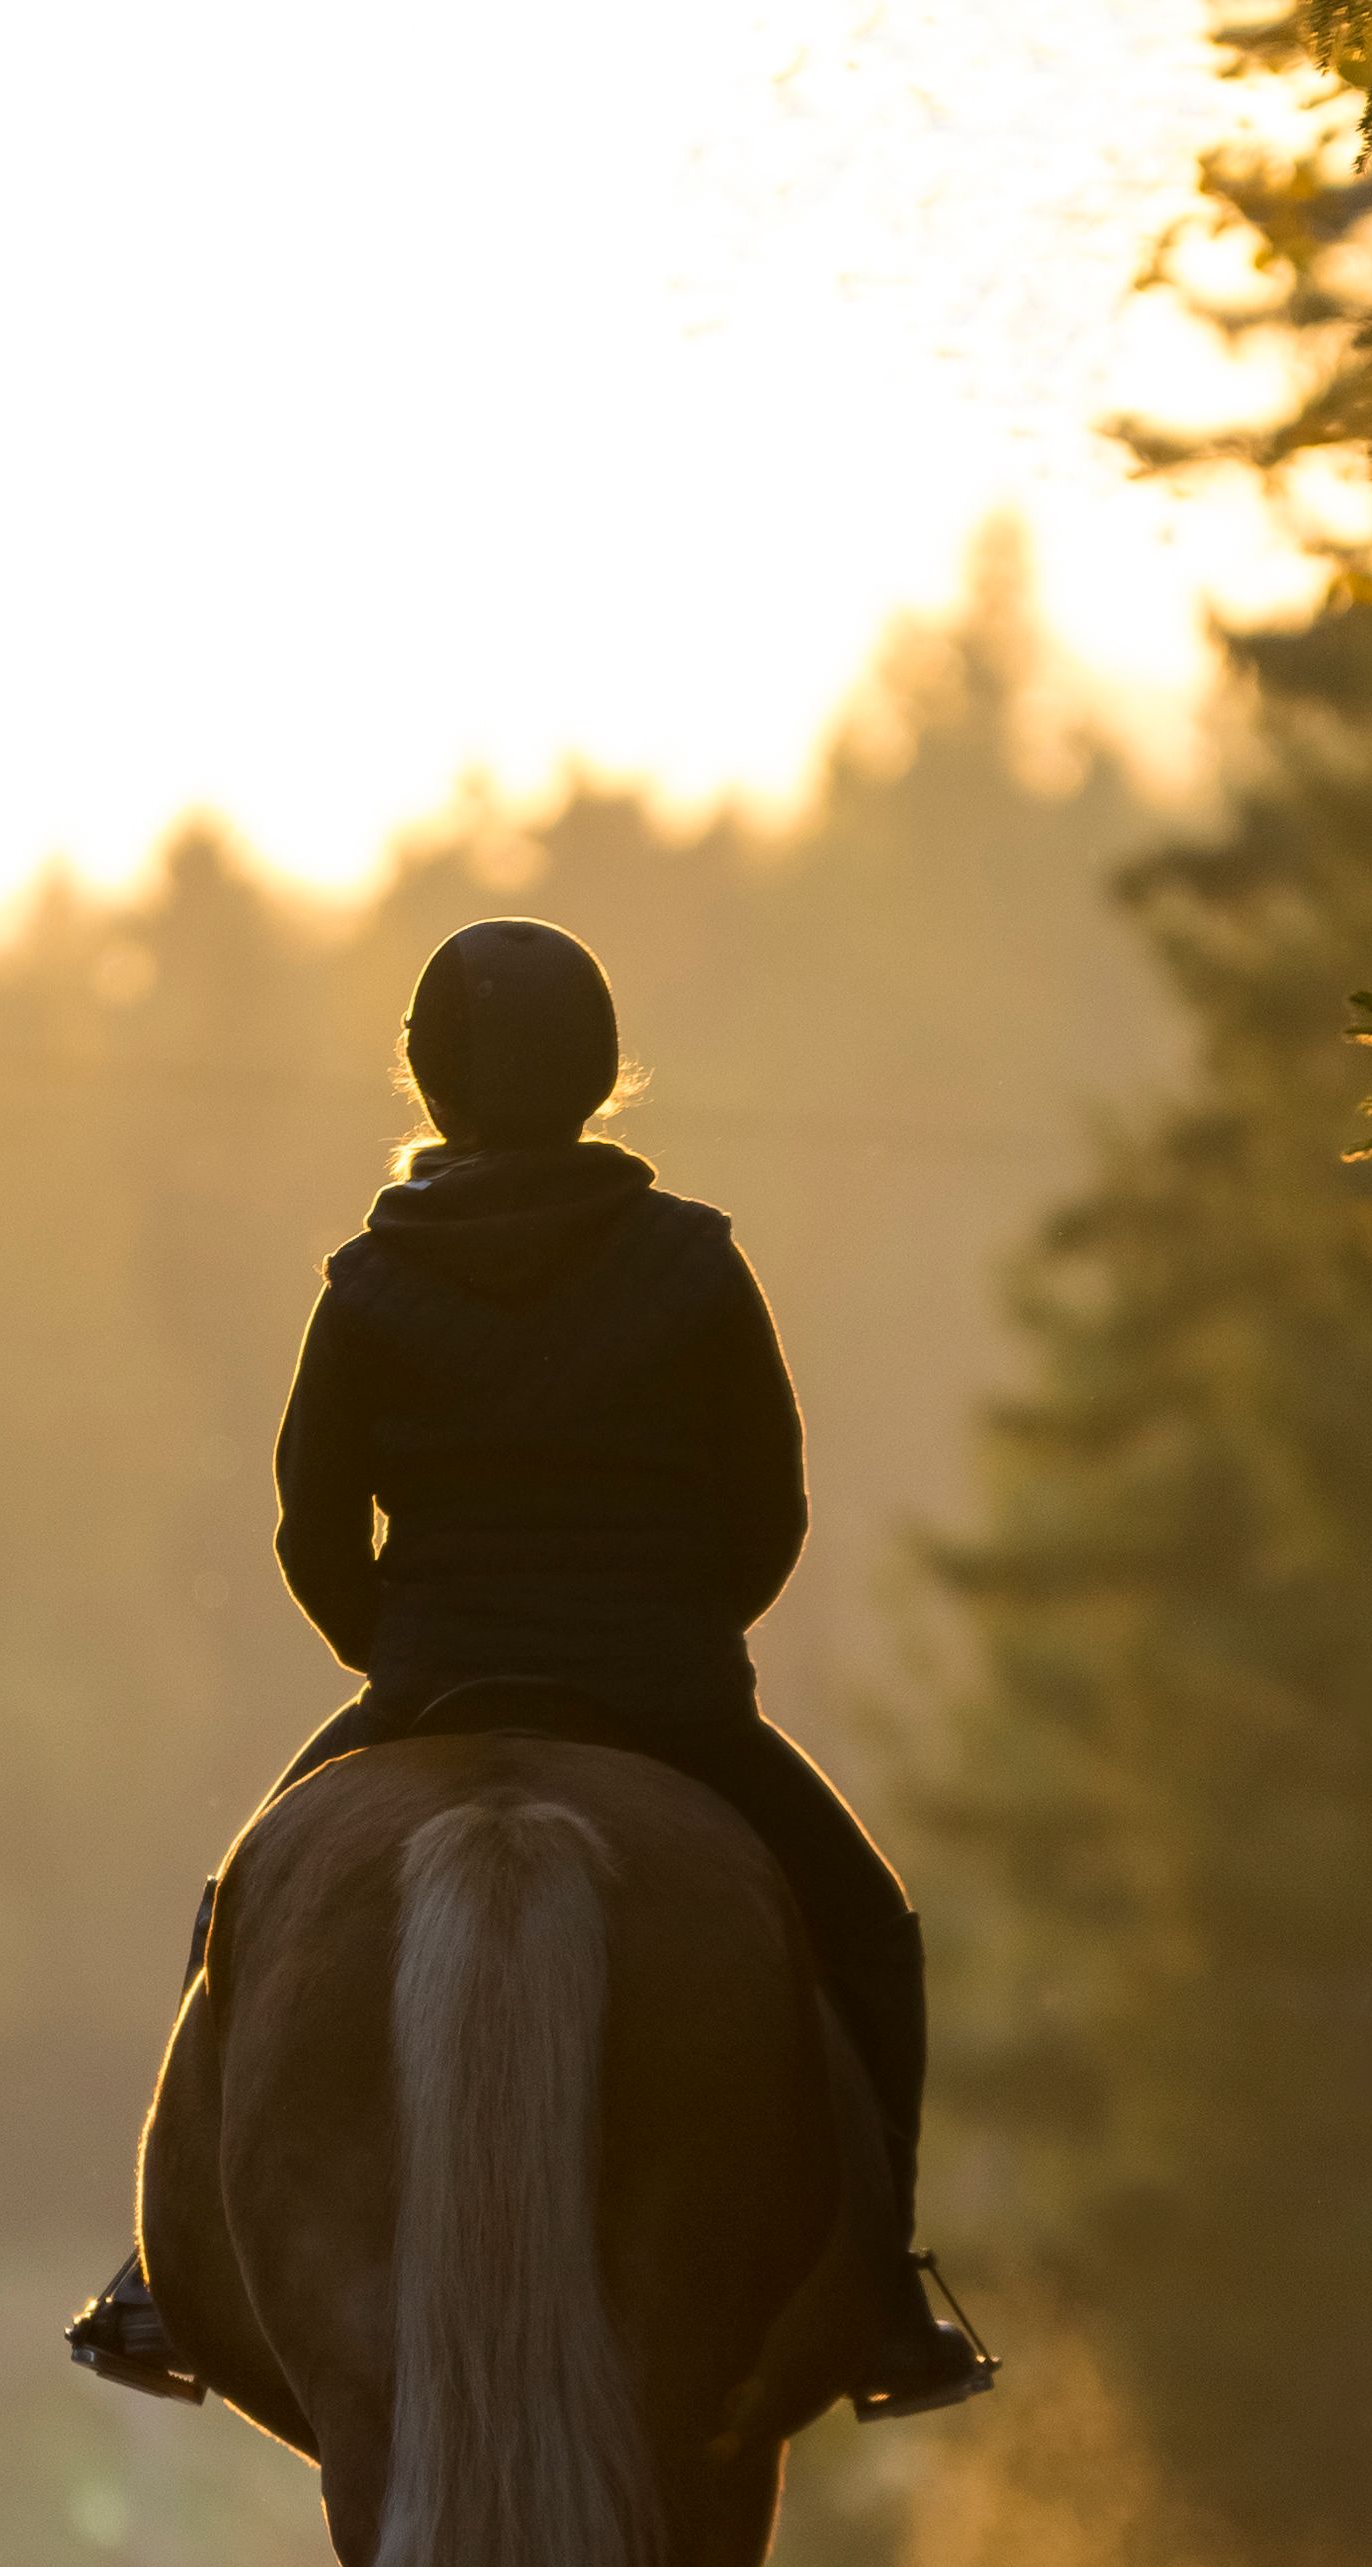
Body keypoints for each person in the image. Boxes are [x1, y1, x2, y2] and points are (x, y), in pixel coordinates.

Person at [71, 915, 997, 2422]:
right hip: (668, 1696)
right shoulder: (695, 1268)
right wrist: (682, 1643)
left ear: (430, 1081)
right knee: (870, 1925)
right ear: (598, 1076)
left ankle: (157, 2280)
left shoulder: (365, 1284)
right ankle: (886, 2289)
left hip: (428, 1687)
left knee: (233, 1919)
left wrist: (407, 1659)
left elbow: (310, 1527)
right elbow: (768, 1505)